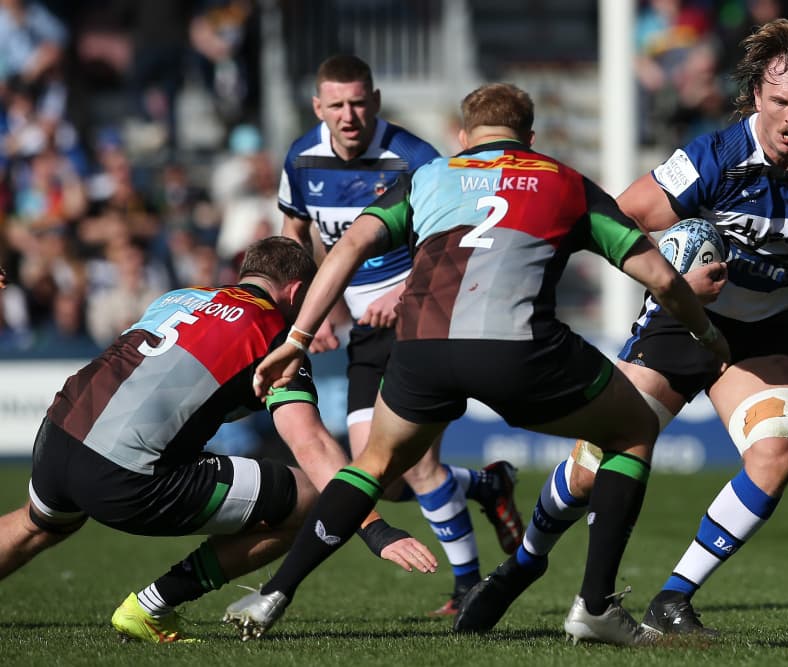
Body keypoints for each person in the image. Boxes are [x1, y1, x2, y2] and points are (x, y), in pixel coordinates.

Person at [454, 17, 788, 639]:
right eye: (779, 103)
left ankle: (673, 600)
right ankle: (523, 563)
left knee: (778, 451)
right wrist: (670, 280)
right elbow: (614, 219)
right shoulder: (712, 158)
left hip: (763, 335)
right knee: (592, 469)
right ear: (755, 98)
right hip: (682, 323)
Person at [222, 82, 730, 646]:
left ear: (464, 138)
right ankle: (595, 607)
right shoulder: (563, 180)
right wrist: (706, 333)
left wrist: (297, 337)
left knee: (372, 466)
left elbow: (345, 248)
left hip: (422, 350)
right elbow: (659, 275)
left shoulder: (431, 175)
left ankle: (276, 592)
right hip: (521, 350)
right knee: (633, 430)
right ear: (530, 138)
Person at [0, 236, 437, 644]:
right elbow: (311, 445)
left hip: (58, 434)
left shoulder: (179, 296)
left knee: (35, 525)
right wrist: (374, 529)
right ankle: (151, 607)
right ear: (298, 291)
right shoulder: (274, 336)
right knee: (304, 498)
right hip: (124, 474)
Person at [278, 54, 524, 616]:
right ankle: (486, 487)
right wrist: (306, 317)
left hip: (423, 316)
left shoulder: (414, 158)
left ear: (376, 100)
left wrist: (404, 290)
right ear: (318, 107)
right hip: (366, 328)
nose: (349, 114)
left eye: (359, 102)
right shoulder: (300, 157)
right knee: (379, 482)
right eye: (336, 104)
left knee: (414, 464)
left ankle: (468, 587)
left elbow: (455, 236)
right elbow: (295, 233)